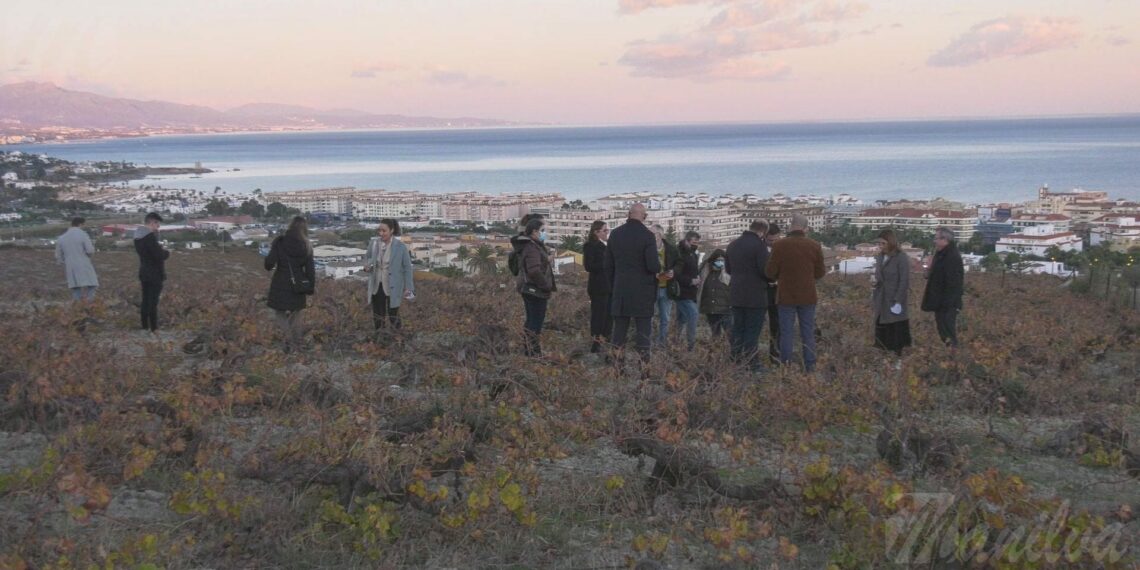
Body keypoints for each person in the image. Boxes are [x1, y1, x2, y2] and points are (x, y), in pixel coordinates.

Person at [765, 214, 825, 372]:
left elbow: (770, 272)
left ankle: (786, 367)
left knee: (786, 333)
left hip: (785, 296)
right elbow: (820, 272)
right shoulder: (814, 245)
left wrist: (781, 277)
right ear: (806, 228)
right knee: (807, 332)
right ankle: (810, 367)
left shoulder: (779, 245)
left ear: (791, 227)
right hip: (808, 295)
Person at [604, 203, 661, 366]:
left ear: (628, 214)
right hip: (643, 292)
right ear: (644, 216)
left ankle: (617, 368)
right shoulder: (647, 236)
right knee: (643, 336)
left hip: (620, 290)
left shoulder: (615, 234)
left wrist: (614, 285)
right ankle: (644, 370)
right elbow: (653, 266)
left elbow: (608, 265)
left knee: (619, 334)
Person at [725, 220, 770, 373]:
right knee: (752, 331)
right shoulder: (759, 246)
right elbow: (765, 271)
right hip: (755, 295)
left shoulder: (733, 245)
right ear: (763, 232)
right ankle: (752, 363)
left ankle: (735, 361)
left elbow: (728, 269)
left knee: (738, 329)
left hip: (736, 294)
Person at [265, 216, 316, 351]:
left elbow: (269, 264)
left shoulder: (280, 242)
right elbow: (310, 270)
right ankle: (297, 343)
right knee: (297, 314)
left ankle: (287, 341)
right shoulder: (306, 245)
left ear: (290, 226)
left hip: (280, 283)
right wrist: (310, 288)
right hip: (298, 285)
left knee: (280, 313)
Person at [364, 218, 415, 333]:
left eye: (384, 231)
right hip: (376, 284)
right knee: (378, 314)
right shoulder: (374, 244)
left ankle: (397, 336)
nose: (381, 233)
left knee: (393, 314)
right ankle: (379, 336)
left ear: (391, 230)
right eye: (379, 230)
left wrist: (409, 287)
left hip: (394, 285)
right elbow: (367, 257)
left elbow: (407, 268)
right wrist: (367, 266)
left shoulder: (400, 247)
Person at [515, 218, 556, 356]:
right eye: (542, 230)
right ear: (534, 231)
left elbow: (534, 264)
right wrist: (545, 285)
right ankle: (533, 353)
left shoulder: (531, 245)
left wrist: (547, 259)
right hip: (535, 290)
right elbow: (533, 270)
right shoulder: (531, 247)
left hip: (529, 289)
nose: (544, 233)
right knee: (535, 322)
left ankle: (529, 351)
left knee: (531, 320)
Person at [921, 226, 964, 347]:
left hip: (947, 303)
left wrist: (948, 303)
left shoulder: (952, 257)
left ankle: (954, 354)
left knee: (948, 331)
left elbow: (954, 283)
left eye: (936, 238)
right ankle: (950, 353)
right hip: (940, 302)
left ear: (945, 240)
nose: (934, 241)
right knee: (943, 331)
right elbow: (929, 276)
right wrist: (928, 268)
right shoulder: (940, 255)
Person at [871, 229, 912, 356]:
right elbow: (879, 276)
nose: (880, 246)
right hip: (881, 298)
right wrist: (875, 283)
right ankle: (884, 353)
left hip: (894, 298)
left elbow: (904, 280)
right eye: (879, 243)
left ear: (891, 242)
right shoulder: (880, 257)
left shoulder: (901, 257)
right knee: (881, 326)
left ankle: (897, 355)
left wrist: (898, 300)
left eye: (883, 243)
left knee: (895, 327)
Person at [134, 212, 170, 333]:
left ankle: (144, 325)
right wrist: (166, 253)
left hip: (144, 271)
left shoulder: (137, 237)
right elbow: (158, 255)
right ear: (151, 222)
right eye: (157, 223)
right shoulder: (149, 237)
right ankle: (154, 327)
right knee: (153, 301)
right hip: (154, 273)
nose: (158, 226)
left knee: (145, 300)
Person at [651, 224, 683, 348]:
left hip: (667, 288)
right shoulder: (647, 248)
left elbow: (679, 263)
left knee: (665, 318)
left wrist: (673, 271)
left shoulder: (671, 249)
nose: (650, 236)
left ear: (660, 235)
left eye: (653, 233)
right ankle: (649, 343)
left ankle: (662, 343)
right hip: (652, 288)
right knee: (649, 317)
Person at [583, 220, 612, 353]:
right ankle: (596, 343)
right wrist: (606, 263)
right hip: (598, 286)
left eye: (607, 230)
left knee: (608, 315)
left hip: (609, 286)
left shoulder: (607, 245)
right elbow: (589, 266)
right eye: (605, 230)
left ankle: (606, 339)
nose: (607, 233)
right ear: (596, 232)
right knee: (598, 315)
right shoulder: (590, 246)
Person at [55, 217, 99, 303]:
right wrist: (89, 256)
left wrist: (63, 261)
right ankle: (89, 303)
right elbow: (90, 250)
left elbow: (58, 255)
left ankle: (77, 305)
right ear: (81, 224)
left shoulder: (62, 238)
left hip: (70, 265)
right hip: (83, 262)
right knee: (92, 284)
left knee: (75, 287)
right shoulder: (83, 235)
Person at [673, 231, 702, 350]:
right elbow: (676, 274)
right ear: (687, 241)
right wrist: (691, 281)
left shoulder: (693, 254)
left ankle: (675, 343)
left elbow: (692, 270)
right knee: (693, 315)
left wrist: (697, 278)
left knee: (681, 319)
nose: (696, 245)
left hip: (691, 292)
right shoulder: (680, 254)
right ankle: (691, 346)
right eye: (694, 242)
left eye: (697, 242)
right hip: (682, 292)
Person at [696, 248, 732, 338]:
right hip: (710, 309)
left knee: (730, 333)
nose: (720, 262)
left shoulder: (728, 272)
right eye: (718, 260)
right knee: (715, 334)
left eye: (722, 260)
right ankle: (716, 346)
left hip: (726, 308)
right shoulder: (706, 272)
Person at [764, 223, 781, 363]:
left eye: (776, 239)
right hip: (762, 290)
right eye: (771, 240)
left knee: (776, 325)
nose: (773, 242)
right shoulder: (759, 249)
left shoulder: (783, 248)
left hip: (777, 291)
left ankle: (775, 354)